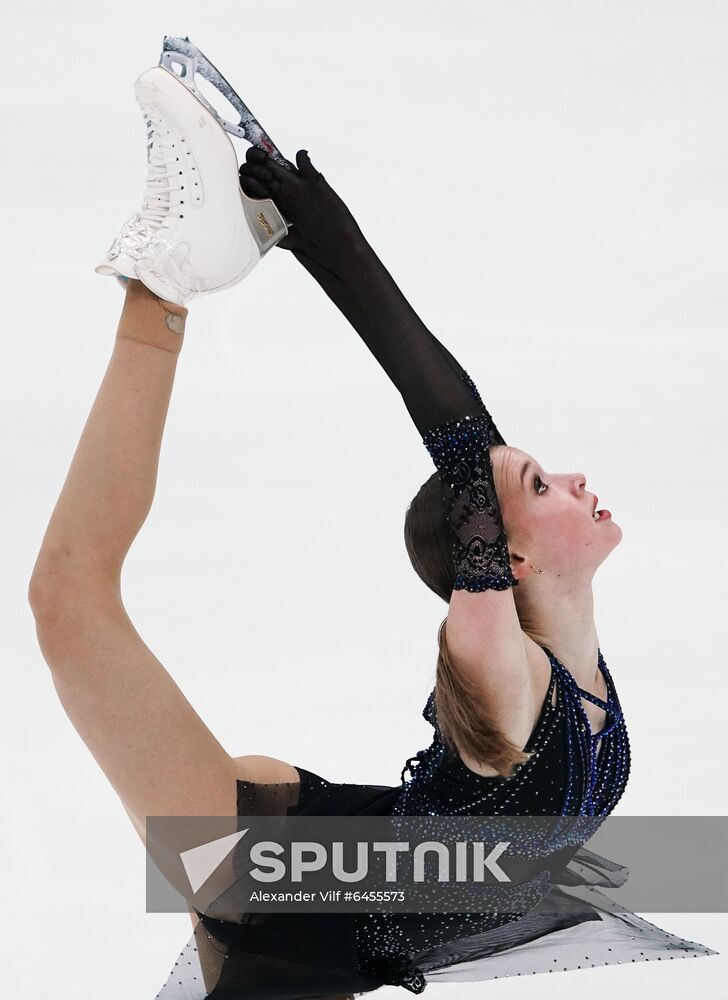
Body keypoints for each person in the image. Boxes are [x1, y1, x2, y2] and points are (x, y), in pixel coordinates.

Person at [28, 57, 717, 999]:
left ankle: (191, 265)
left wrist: (327, 238)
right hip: (284, 881)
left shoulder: (554, 647)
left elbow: (471, 445)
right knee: (67, 597)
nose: (575, 478)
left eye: (543, 478)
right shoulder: (497, 664)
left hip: (312, 880)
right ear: (497, 560)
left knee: (91, 620)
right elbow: (465, 435)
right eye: (545, 482)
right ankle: (165, 280)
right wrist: (330, 240)